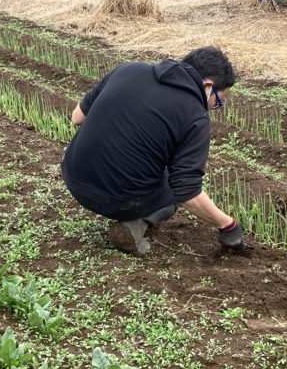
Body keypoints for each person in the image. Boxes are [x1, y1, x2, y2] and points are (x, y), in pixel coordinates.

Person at [61, 46, 244, 256]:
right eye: (217, 102)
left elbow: (76, 117)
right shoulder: (195, 116)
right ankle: (135, 224)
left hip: (73, 178)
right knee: (173, 183)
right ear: (208, 86)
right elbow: (188, 193)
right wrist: (227, 225)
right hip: (116, 201)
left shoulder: (127, 70)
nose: (212, 108)